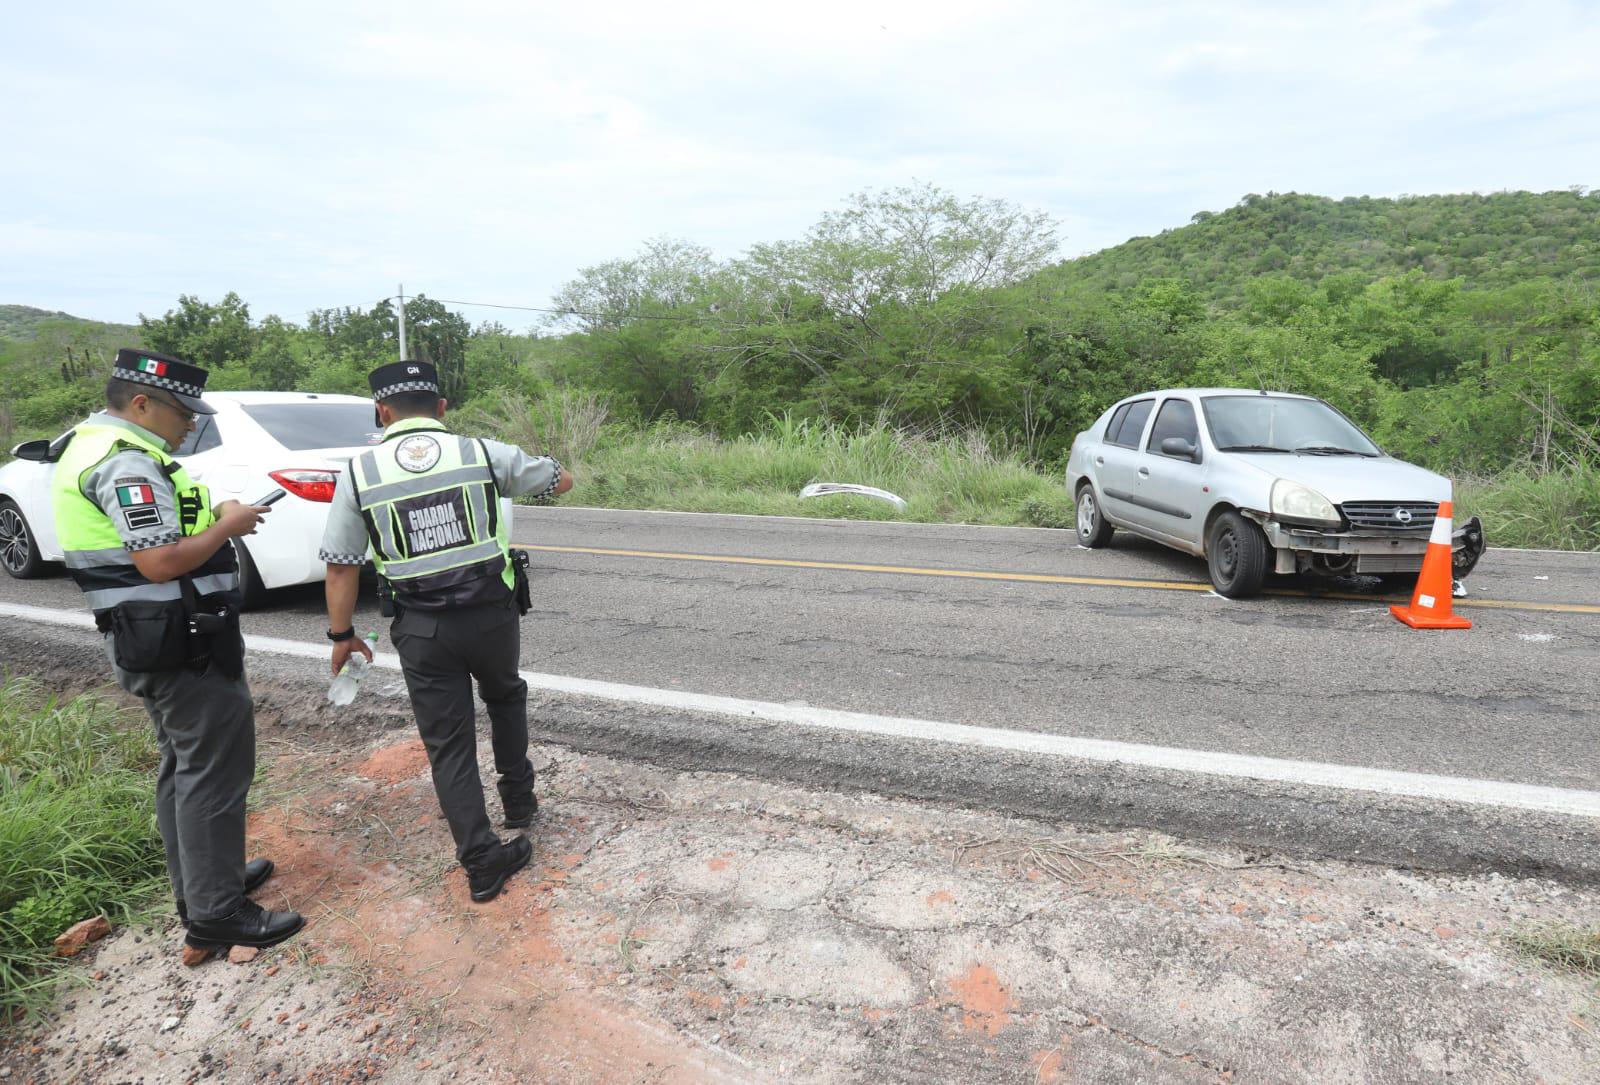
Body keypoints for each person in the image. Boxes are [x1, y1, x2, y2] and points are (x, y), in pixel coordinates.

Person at [50, 349, 304, 955]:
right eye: (182, 412)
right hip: (179, 642)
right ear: (141, 404)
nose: (191, 423)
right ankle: (217, 913)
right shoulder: (123, 463)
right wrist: (228, 527)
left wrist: (214, 510)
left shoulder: (106, 450)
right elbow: (159, 559)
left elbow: (161, 526)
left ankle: (203, 884)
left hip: (160, 638)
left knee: (184, 768)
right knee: (213, 772)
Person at [320, 360, 572, 902]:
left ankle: (482, 862)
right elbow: (560, 481)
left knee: (448, 744)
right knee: (505, 697)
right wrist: (546, 465)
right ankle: (519, 801)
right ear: (440, 409)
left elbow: (341, 564)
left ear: (382, 413)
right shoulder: (480, 452)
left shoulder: (359, 472)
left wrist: (342, 635)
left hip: (422, 628)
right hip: (491, 616)